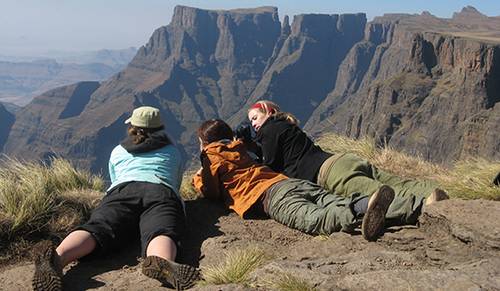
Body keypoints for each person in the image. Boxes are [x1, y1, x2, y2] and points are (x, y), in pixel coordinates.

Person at [32, 106, 200, 291]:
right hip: (160, 191)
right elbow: (175, 183)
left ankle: (58, 257)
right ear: (160, 128)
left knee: (98, 227)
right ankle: (163, 262)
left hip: (122, 191)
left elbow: (115, 178)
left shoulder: (119, 151)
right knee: (161, 230)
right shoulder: (172, 152)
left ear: (133, 127)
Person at [192, 119, 398, 242]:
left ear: (205, 143)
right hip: (289, 182)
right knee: (331, 201)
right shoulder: (241, 149)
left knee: (315, 219)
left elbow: (211, 192)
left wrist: (197, 178)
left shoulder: (211, 156)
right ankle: (369, 203)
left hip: (270, 196)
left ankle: (356, 210)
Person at [247, 100, 449, 226]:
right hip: (342, 159)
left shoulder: (269, 129)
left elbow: (270, 166)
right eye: (251, 122)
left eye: (255, 118)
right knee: (399, 182)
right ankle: (442, 192)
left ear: (270, 112)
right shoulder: (287, 126)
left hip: (330, 173)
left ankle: (423, 206)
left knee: (379, 195)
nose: (254, 124)